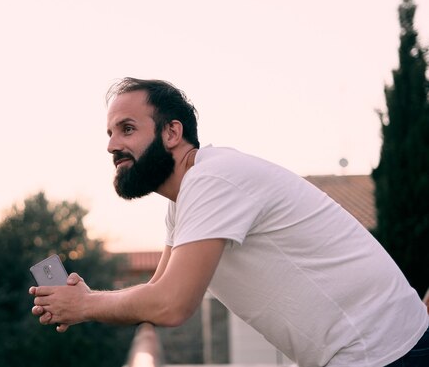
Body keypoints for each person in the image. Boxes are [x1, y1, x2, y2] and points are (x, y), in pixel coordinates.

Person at [30, 78, 429, 366]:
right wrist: (86, 298)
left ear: (172, 132)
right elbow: (157, 290)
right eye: (110, 133)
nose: (112, 145)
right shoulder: (185, 198)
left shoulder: (212, 180)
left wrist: (86, 305)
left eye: (128, 129)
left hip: (389, 353)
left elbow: (171, 305)